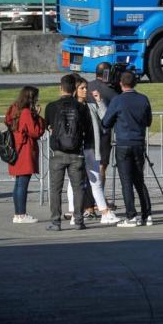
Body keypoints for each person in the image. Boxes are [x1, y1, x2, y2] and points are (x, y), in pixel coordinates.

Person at [101, 71, 153, 228]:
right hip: (138, 142)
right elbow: (148, 121)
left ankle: (131, 215)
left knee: (126, 182)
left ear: (121, 84)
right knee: (139, 180)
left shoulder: (118, 100)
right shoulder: (143, 99)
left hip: (123, 142)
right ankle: (147, 214)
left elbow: (106, 121)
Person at [43, 74, 91, 231]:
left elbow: (48, 126)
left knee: (56, 189)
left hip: (57, 151)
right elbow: (87, 129)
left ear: (60, 88)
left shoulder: (51, 106)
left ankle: (56, 221)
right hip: (76, 152)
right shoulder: (81, 107)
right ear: (74, 90)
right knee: (78, 188)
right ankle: (78, 220)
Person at [67, 77, 117, 225]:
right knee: (73, 181)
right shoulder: (72, 106)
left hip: (90, 147)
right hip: (76, 148)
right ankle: (76, 213)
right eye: (82, 88)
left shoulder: (90, 105)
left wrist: (100, 101)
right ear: (75, 90)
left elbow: (106, 118)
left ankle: (103, 212)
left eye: (85, 88)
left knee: (94, 180)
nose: (85, 90)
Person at [5, 86, 45, 224]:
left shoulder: (14, 108)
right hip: (25, 150)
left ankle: (18, 214)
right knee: (23, 183)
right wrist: (38, 116)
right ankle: (21, 214)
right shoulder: (26, 112)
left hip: (15, 149)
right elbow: (35, 132)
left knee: (18, 183)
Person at [87, 62, 117, 197]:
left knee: (89, 166)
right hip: (103, 133)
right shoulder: (110, 91)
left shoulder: (87, 86)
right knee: (101, 166)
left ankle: (89, 201)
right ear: (107, 73)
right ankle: (99, 198)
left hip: (87, 132)